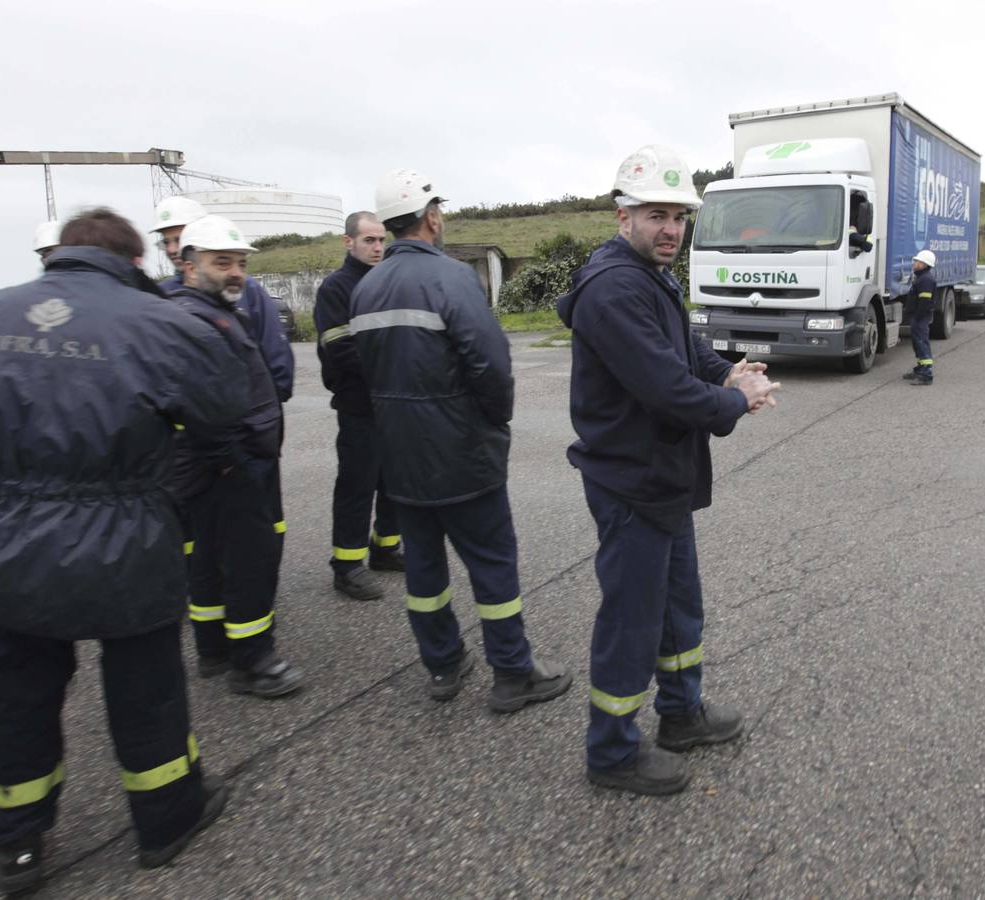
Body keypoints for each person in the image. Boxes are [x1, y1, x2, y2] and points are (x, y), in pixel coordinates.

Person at [0, 208, 248, 892]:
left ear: (57, 256)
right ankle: (166, 818)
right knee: (144, 689)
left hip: (3, 536)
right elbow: (223, 411)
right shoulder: (161, 322)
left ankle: (17, 840)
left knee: (20, 693)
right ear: (131, 259)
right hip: (124, 528)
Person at [556, 145, 780, 796]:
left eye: (679, 217)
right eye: (655, 214)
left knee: (679, 607)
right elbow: (667, 389)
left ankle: (680, 714)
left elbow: (687, 355)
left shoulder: (652, 277)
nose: (670, 230)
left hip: (662, 476)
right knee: (632, 617)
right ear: (620, 215)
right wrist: (734, 400)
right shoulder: (613, 288)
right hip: (630, 479)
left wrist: (729, 372)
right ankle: (611, 752)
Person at [350, 168, 572, 711]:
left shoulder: (365, 288)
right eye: (439, 211)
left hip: (400, 459)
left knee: (424, 571)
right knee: (492, 565)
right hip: (462, 454)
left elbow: (363, 372)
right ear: (430, 217)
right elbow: (490, 366)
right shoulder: (451, 279)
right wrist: (495, 424)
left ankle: (444, 667)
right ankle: (513, 673)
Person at [167, 214, 304, 698]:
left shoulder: (206, 310)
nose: (235, 272)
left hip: (216, 463)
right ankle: (253, 661)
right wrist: (232, 461)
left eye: (240, 263)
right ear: (189, 265)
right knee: (250, 558)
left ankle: (213, 649)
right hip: (227, 464)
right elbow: (205, 406)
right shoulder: (195, 319)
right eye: (221, 262)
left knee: (208, 555)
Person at [151, 196, 296, 573]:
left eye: (179, 237)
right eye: (165, 241)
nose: (171, 248)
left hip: (244, 449)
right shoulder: (165, 300)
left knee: (255, 530)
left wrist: (260, 425)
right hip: (210, 458)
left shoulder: (248, 295)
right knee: (203, 540)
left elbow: (276, 366)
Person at [314, 211, 404, 601]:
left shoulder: (387, 281)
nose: (378, 247)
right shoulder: (336, 288)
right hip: (359, 405)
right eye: (369, 240)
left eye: (381, 240)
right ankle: (347, 567)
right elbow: (340, 349)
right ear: (348, 242)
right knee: (357, 485)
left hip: (393, 403)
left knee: (395, 482)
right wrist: (393, 368)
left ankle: (385, 548)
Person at [904, 249, 937, 385]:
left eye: (917, 261)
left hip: (921, 317)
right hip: (918, 317)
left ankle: (926, 374)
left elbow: (924, 302)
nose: (915, 263)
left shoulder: (925, 280)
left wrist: (917, 318)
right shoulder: (922, 277)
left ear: (924, 264)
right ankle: (920, 368)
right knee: (917, 343)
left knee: (922, 343)